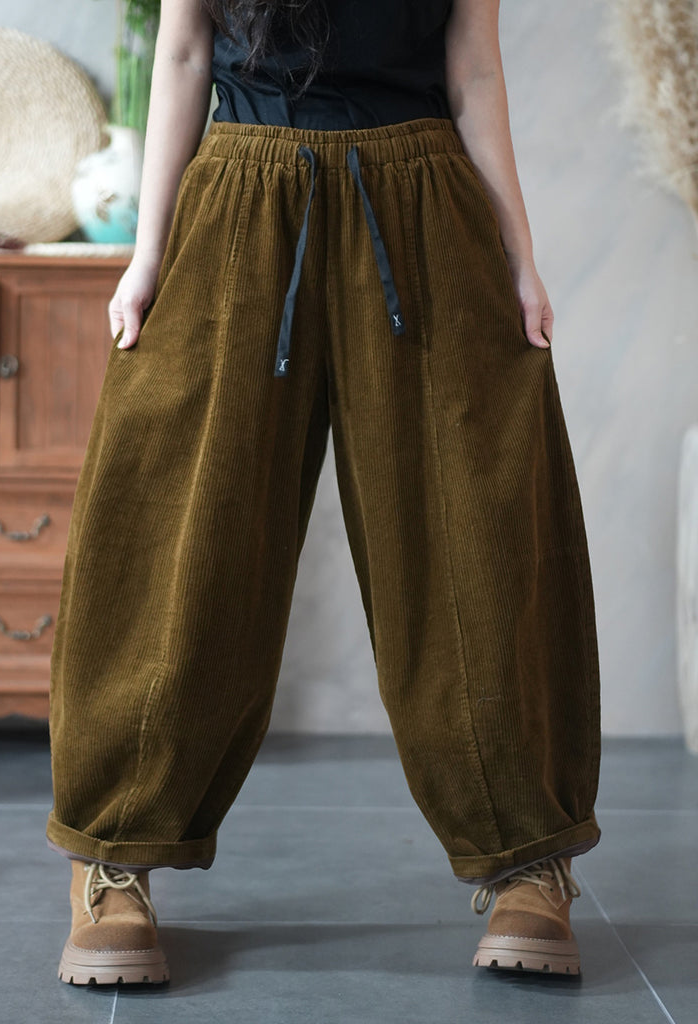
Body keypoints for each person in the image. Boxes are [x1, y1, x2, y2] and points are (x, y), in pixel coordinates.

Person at [47, 0, 602, 985]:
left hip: (424, 203)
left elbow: (475, 70)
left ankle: (529, 863)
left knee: (476, 533)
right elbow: (183, 52)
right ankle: (115, 858)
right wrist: (148, 256)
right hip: (240, 194)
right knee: (178, 533)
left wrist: (522, 257)